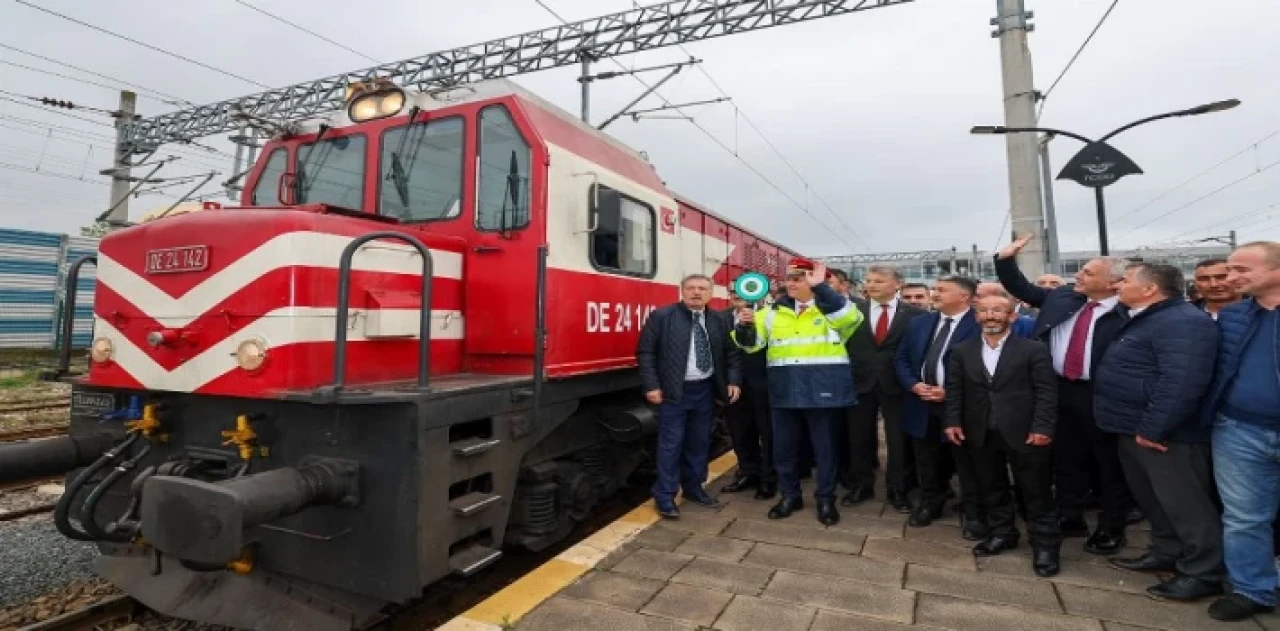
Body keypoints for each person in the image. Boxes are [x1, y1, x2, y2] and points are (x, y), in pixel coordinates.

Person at [994, 235, 1133, 556]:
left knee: (1109, 465)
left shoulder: (1130, 311)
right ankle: (1070, 517)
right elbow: (1022, 289)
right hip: (1059, 391)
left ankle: (1112, 526)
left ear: (1113, 283)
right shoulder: (1063, 297)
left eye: (1087, 273)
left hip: (1104, 395)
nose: (1078, 277)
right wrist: (1005, 259)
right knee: (1066, 459)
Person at [1095, 263, 1222, 603]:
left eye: (1125, 280)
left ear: (1150, 289)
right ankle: (1165, 551)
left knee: (1186, 505)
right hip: (1133, 427)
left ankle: (1203, 571)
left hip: (1165, 435)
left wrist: (1155, 427)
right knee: (1155, 500)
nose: (1118, 285)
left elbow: (1181, 383)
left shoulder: (1183, 323)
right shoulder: (1148, 317)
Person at [733, 258, 864, 526]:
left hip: (823, 389)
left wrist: (823, 289)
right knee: (784, 449)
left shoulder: (835, 309)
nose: (790, 283)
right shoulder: (770, 312)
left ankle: (825, 499)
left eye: (798, 278)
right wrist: (744, 326)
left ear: (815, 281)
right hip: (784, 389)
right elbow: (751, 346)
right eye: (789, 278)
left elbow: (849, 319)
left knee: (824, 449)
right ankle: (790, 496)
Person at [944, 293, 1061, 577]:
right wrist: (953, 421)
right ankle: (1003, 533)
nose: (990, 316)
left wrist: (1042, 427)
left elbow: (1046, 392)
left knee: (1036, 491)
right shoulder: (962, 350)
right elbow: (955, 391)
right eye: (984, 311)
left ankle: (1045, 546)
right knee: (992, 487)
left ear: (1012, 316)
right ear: (976, 317)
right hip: (979, 431)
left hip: (1025, 432)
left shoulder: (1033, 350)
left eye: (998, 310)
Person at [1201, 242, 1280, 621]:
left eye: (1240, 270)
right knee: (1244, 516)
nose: (1231, 279)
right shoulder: (1233, 316)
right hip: (1238, 430)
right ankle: (1253, 588)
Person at [636, 274, 742, 519]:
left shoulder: (719, 320)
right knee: (671, 446)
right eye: (691, 288)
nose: (696, 292)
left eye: (702, 289)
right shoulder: (662, 317)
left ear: (710, 293)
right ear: (681, 291)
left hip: (705, 390)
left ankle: (694, 488)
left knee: (699, 443)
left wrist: (734, 380)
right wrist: (651, 385)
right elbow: (646, 352)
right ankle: (665, 496)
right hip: (674, 392)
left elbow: (732, 353)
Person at [895, 275, 981, 532]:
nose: (934, 294)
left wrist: (950, 392)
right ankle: (931, 502)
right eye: (934, 289)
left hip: (960, 406)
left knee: (967, 462)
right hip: (921, 403)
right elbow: (901, 360)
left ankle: (974, 511)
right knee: (926, 458)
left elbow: (987, 367)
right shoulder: (919, 323)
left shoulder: (980, 323)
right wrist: (914, 385)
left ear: (964, 296)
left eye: (941, 290)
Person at [844, 265, 925, 512]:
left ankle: (897, 489)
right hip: (860, 383)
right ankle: (861, 485)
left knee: (897, 440)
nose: (871, 285)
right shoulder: (852, 312)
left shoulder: (914, 315)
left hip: (897, 385)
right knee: (859, 438)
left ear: (896, 284)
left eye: (879, 281)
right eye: (868, 281)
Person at [719, 294, 777, 500]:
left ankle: (769, 478)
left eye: (743, 291)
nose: (737, 296)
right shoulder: (721, 318)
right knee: (739, 432)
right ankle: (747, 472)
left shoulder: (771, 315)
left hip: (765, 384)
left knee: (768, 433)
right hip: (733, 386)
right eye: (733, 292)